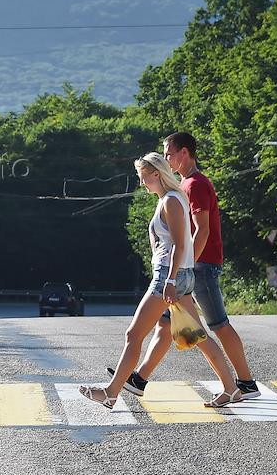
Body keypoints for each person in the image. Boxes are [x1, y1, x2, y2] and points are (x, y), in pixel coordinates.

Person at [81, 152, 240, 410]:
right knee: (197, 336)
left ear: (156, 174)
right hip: (177, 275)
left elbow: (179, 244)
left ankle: (111, 393)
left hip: (169, 276)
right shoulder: (169, 199)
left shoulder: (172, 201)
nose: (141, 182)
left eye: (143, 176)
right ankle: (231, 388)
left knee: (134, 334)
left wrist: (171, 280)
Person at [112, 133, 260, 401]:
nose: (166, 158)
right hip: (186, 267)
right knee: (169, 327)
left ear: (184, 153)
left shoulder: (195, 185)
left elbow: (202, 231)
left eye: (169, 153)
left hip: (199, 265)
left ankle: (246, 382)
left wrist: (184, 267)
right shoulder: (182, 186)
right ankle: (139, 378)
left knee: (217, 325)